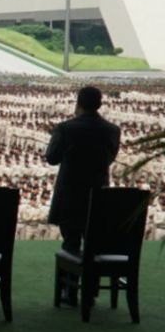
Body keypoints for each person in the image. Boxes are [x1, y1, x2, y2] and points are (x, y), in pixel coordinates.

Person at [46, 86, 121, 261]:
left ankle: (69, 287)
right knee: (94, 245)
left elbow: (51, 158)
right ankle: (90, 286)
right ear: (99, 104)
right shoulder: (112, 130)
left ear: (78, 103)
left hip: (70, 198)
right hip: (98, 196)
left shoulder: (65, 128)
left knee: (70, 245)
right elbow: (109, 159)